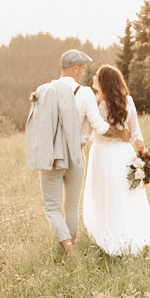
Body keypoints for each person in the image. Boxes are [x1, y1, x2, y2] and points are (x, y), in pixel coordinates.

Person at [25, 49, 104, 257]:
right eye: (83, 68)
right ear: (75, 68)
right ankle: (72, 246)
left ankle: (68, 248)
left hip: (52, 157)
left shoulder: (44, 91)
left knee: (52, 207)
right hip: (76, 156)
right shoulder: (85, 92)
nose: (84, 72)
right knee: (71, 207)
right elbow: (95, 125)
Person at [82, 65, 150, 256]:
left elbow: (93, 130)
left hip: (102, 154)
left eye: (97, 76)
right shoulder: (128, 101)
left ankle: (109, 234)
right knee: (125, 193)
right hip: (124, 153)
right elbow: (136, 133)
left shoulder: (96, 104)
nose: (93, 77)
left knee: (106, 194)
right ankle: (129, 233)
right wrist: (144, 156)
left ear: (104, 82)